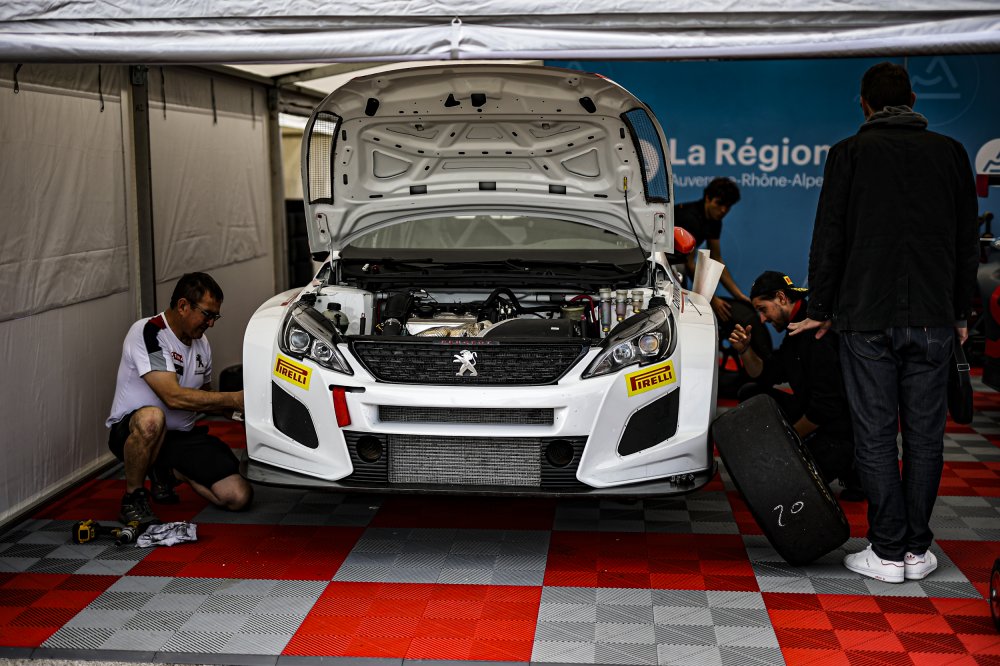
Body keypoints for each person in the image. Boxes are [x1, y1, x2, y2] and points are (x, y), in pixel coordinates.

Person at [788, 62, 979, 583]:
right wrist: (961, 313)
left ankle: (888, 550)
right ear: (913, 100)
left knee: (874, 436)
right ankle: (915, 549)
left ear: (864, 103)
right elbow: (967, 241)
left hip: (865, 316)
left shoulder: (849, 153)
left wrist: (819, 309)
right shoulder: (951, 152)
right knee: (925, 438)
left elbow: (829, 236)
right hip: (934, 316)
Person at [106, 272, 253, 526]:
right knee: (152, 418)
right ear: (183, 306)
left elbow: (206, 397)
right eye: (207, 315)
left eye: (215, 317)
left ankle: (168, 471)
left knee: (238, 496)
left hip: (181, 437)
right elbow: (172, 397)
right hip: (134, 431)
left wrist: (243, 413)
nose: (211, 323)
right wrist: (233, 399)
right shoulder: (150, 333)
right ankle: (133, 498)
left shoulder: (202, 344)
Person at [729, 271, 862, 501]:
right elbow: (766, 375)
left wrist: (786, 442)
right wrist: (745, 350)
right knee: (751, 394)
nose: (762, 320)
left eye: (763, 309)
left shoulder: (817, 335)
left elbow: (826, 407)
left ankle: (853, 466)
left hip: (839, 432)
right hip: (812, 415)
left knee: (783, 486)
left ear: (781, 298)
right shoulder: (795, 330)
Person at [674, 177, 771, 376]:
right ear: (708, 198)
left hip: (679, 264)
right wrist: (711, 299)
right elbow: (689, 263)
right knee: (680, 277)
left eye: (728, 206)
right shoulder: (689, 217)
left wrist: (739, 296)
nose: (723, 210)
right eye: (719, 204)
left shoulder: (714, 221)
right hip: (666, 264)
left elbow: (716, 260)